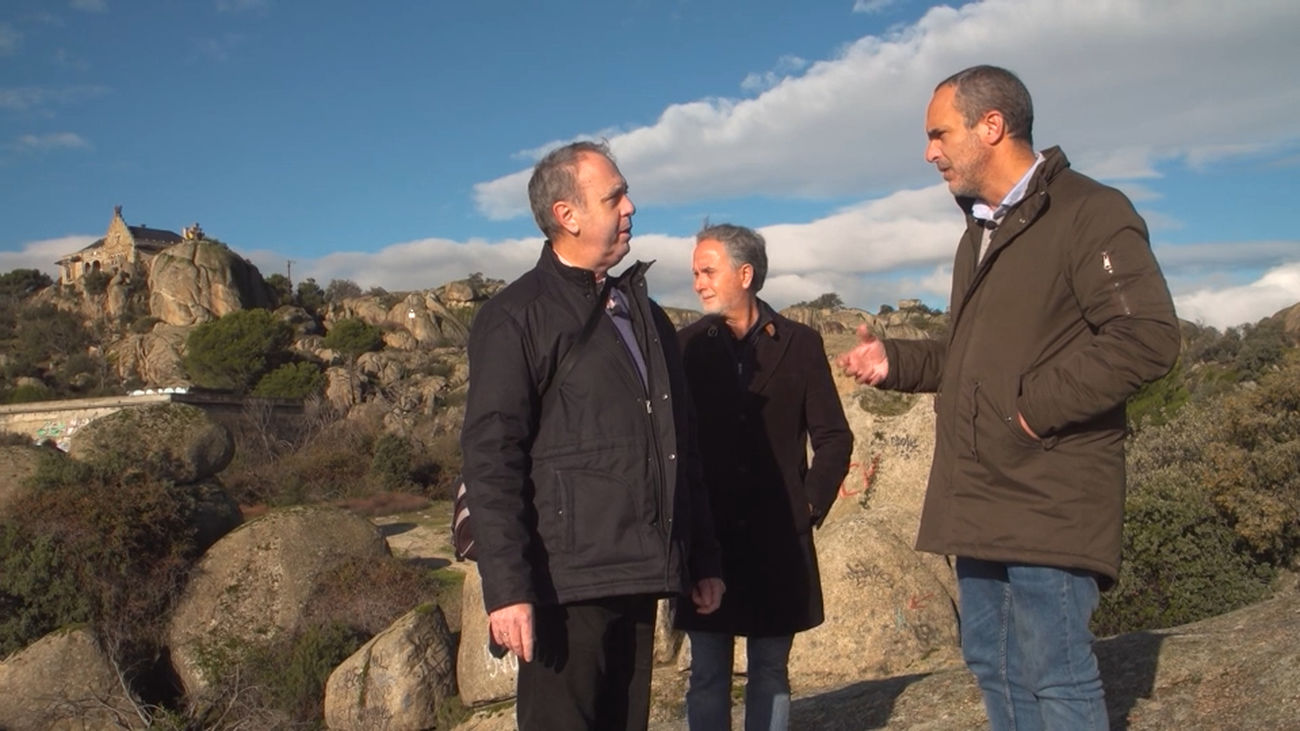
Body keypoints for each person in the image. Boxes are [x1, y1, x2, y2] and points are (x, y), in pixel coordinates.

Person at [838, 65, 1179, 730]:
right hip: (980, 494)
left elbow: (1147, 337)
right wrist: (895, 359)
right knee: (992, 662)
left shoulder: (1089, 210)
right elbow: (971, 358)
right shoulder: (981, 232)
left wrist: (1032, 410)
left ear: (991, 126)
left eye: (939, 134)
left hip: (1048, 493)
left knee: (1055, 670)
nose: (929, 152)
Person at [460, 140, 724, 731]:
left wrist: (702, 556)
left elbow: (681, 447)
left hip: (639, 572)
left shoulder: (646, 316)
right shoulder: (514, 316)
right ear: (568, 215)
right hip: (561, 586)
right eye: (614, 197)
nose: (630, 207)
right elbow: (491, 458)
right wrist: (507, 588)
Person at [676, 223, 853, 730]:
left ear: (745, 274)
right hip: (707, 543)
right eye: (695, 273)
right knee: (707, 673)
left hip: (778, 544)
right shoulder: (685, 347)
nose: (698, 283)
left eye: (708, 271)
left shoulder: (801, 344)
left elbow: (834, 437)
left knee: (771, 672)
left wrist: (807, 505)